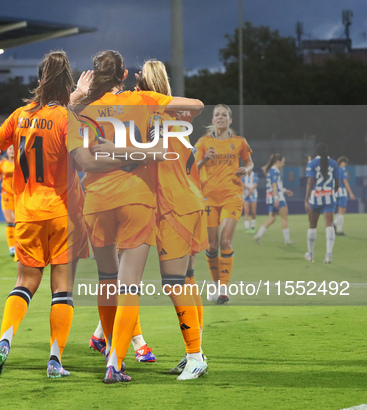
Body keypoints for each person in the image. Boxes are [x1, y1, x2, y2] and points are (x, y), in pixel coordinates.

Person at [70, 50, 203, 383]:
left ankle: (190, 354)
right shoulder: (147, 103)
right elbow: (195, 108)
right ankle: (120, 359)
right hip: (143, 201)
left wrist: (77, 97)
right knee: (150, 283)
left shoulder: (83, 109)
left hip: (101, 201)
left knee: (109, 281)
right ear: (125, 75)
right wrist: (141, 152)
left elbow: (83, 160)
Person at [0, 50, 90, 379]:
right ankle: (54, 360)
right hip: (62, 214)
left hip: (27, 213)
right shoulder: (66, 118)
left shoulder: (20, 116)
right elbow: (82, 161)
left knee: (25, 283)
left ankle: (3, 342)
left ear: (40, 80)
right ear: (67, 83)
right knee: (62, 290)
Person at [134, 59, 207, 379]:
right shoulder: (175, 116)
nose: (133, 84)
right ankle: (196, 352)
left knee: (174, 283)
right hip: (192, 202)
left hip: (174, 207)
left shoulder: (148, 115)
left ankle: (195, 357)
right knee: (187, 281)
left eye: (138, 79)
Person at [195, 104, 254, 304]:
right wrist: (204, 159)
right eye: (217, 115)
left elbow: (249, 162)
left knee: (226, 241)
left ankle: (223, 289)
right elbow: (192, 168)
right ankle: (215, 284)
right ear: (212, 120)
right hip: (208, 198)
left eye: (224, 115)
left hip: (232, 196)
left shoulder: (239, 142)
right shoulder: (203, 143)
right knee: (211, 245)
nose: (220, 118)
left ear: (230, 120)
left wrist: (247, 170)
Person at [304, 143, 339, 263]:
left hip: (316, 197)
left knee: (312, 225)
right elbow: (337, 183)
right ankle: (328, 255)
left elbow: (310, 182)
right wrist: (331, 193)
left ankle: (311, 255)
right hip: (329, 196)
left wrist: (306, 199)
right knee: (329, 225)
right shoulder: (334, 163)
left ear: (316, 152)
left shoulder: (312, 163)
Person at [253, 154, 295, 245]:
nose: (283, 164)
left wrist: (284, 190)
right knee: (284, 217)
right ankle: (287, 240)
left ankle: (258, 235)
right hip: (277, 198)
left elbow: (276, 186)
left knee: (272, 218)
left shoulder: (270, 170)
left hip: (270, 198)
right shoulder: (274, 171)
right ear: (278, 162)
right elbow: (274, 186)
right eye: (283, 162)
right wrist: (276, 198)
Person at [0, 146, 16, 256]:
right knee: (10, 220)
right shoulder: (3, 163)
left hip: (19, 195)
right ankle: (12, 247)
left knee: (19, 221)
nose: (12, 151)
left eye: (13, 149)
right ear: (7, 151)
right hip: (7, 195)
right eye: (10, 149)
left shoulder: (20, 162)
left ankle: (19, 245)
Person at [333, 156, 356, 235]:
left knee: (341, 211)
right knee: (342, 211)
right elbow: (345, 182)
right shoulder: (342, 170)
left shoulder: (335, 170)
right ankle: (338, 229)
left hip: (335, 192)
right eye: (345, 163)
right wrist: (351, 193)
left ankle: (334, 225)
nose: (345, 164)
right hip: (342, 192)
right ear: (342, 162)